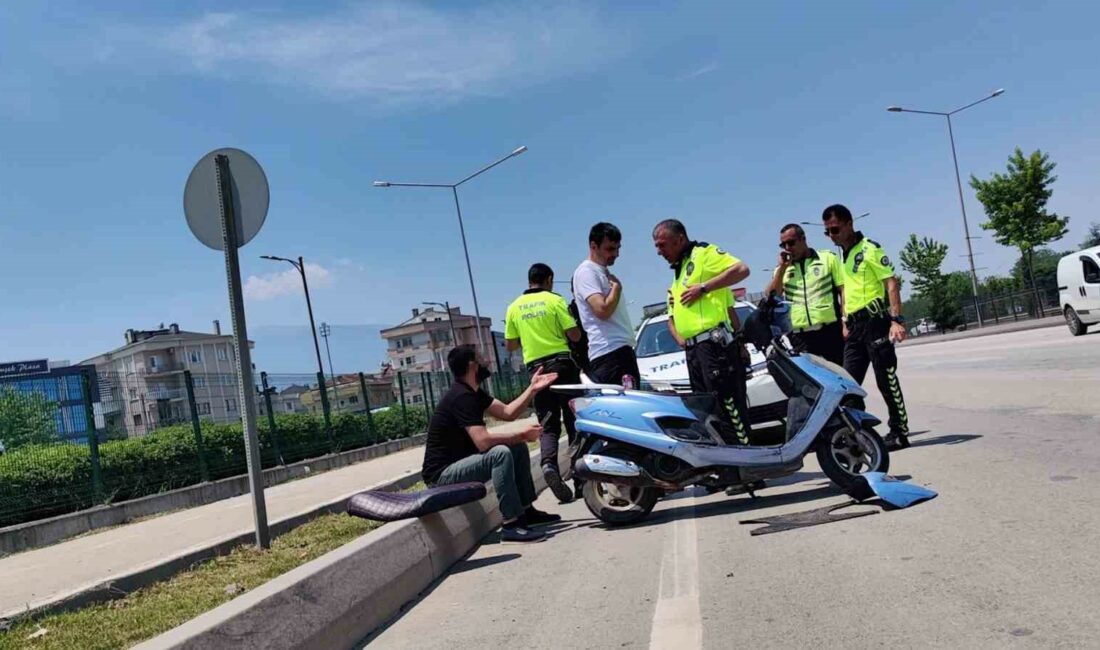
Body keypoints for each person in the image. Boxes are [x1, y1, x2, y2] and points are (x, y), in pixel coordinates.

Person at [422, 346, 562, 543]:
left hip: (459, 464)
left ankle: (525, 511)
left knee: (517, 447)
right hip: (441, 475)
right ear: (472, 365)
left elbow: (508, 412)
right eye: (481, 358)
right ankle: (511, 524)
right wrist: (522, 433)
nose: (486, 362)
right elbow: (483, 441)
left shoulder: (474, 393)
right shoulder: (462, 397)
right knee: (500, 453)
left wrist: (532, 389)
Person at [652, 219, 752, 445]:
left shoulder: (703, 254)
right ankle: (727, 466)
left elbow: (741, 270)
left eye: (662, 245)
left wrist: (704, 288)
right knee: (709, 412)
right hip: (695, 350)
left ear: (679, 239)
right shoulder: (678, 273)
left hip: (713, 347)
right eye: (656, 247)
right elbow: (673, 318)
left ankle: (746, 467)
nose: (659, 252)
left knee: (728, 408)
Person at [822, 204, 911, 449]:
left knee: (886, 379)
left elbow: (891, 284)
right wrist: (844, 321)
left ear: (850, 224)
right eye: (827, 232)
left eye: (836, 229)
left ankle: (899, 431)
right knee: (847, 384)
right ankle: (855, 434)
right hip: (854, 328)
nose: (832, 236)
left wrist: (896, 320)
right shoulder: (843, 256)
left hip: (875, 323)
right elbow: (845, 292)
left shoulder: (869, 249)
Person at [504, 263, 583, 503]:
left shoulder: (514, 307)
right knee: (574, 421)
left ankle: (549, 464)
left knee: (548, 424)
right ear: (548, 279)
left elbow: (510, 345)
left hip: (537, 373)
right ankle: (581, 478)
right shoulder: (554, 300)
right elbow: (574, 335)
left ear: (529, 281)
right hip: (562, 366)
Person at [764, 223, 846, 365]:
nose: (788, 248)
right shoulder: (782, 270)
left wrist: (846, 321)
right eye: (783, 245)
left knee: (843, 379)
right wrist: (782, 269)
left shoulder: (828, 259)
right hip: (800, 338)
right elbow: (771, 296)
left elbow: (843, 291)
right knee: (813, 384)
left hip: (830, 332)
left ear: (803, 239)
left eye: (791, 243)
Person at [572, 222, 641, 389]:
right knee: (624, 412)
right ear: (593, 246)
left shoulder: (601, 272)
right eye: (610, 249)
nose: (616, 254)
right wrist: (616, 289)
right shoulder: (586, 272)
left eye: (618, 248)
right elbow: (601, 310)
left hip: (619, 351)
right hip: (609, 353)